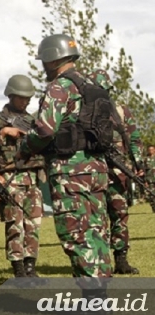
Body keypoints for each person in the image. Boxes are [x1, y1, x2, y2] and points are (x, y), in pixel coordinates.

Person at [19, 34, 112, 295]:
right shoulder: (92, 85)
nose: (43, 66)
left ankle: (93, 302)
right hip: (96, 169)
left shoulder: (59, 87)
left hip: (70, 172)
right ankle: (99, 296)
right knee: (96, 231)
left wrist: (25, 148)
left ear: (51, 57)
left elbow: (45, 130)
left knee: (77, 234)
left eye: (43, 61)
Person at [0, 74, 46, 280]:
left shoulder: (32, 121)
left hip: (32, 178)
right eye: (21, 97)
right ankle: (18, 269)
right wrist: (3, 133)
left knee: (33, 225)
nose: (25, 101)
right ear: (11, 95)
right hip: (10, 179)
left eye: (28, 98)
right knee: (15, 225)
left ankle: (31, 267)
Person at [88, 68, 142, 275]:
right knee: (97, 218)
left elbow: (133, 139)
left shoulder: (120, 111)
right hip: (95, 171)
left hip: (119, 173)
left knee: (120, 215)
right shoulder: (86, 112)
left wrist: (137, 165)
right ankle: (100, 262)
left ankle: (121, 260)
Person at [146, 145, 155, 212]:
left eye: (152, 149)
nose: (150, 151)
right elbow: (144, 169)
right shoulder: (146, 159)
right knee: (151, 194)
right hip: (149, 179)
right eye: (149, 150)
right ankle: (153, 207)